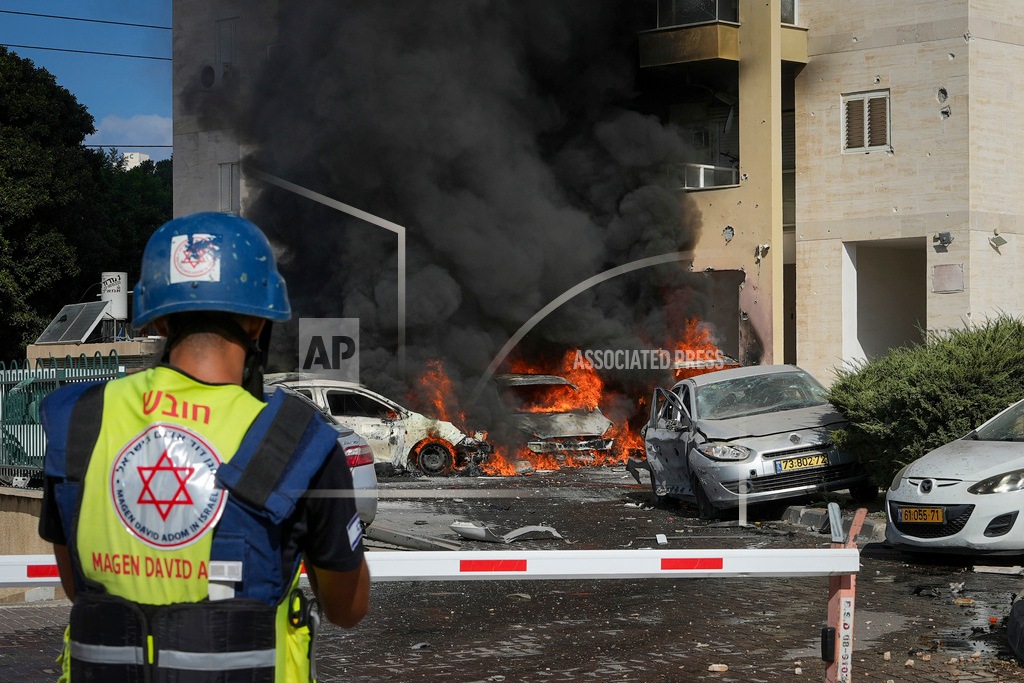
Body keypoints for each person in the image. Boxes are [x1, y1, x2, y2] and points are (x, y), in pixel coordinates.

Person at [38, 212, 370, 682]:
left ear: (156, 321)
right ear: (258, 322)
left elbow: (79, 588)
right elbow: (347, 608)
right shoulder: (297, 440)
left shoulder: (80, 420)